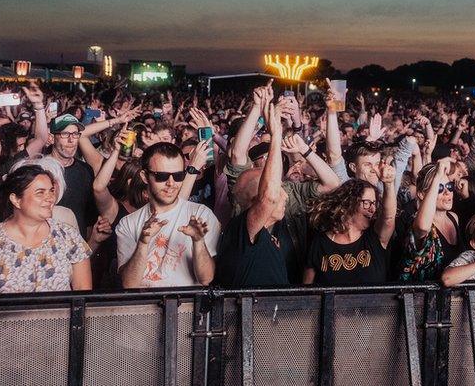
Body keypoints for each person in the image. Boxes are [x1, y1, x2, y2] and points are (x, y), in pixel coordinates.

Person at [0, 166, 92, 294]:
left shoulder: (67, 236)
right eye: (40, 193)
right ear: (16, 200)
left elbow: (83, 294)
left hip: (59, 319)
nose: (50, 198)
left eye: (51, 191)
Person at [115, 142, 219, 288]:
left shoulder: (200, 214)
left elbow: (206, 279)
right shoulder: (128, 223)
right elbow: (129, 285)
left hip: (187, 307)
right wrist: (143, 243)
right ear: (145, 177)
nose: (171, 183)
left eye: (178, 176)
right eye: (161, 176)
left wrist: (198, 241)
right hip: (144, 308)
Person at [216, 103, 294, 287]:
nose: (285, 196)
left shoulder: (264, 234)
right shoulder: (242, 229)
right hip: (254, 315)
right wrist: (276, 136)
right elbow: (269, 198)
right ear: (258, 198)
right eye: (278, 190)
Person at [303, 169, 397, 285]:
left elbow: (388, 219)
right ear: (348, 203)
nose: (372, 209)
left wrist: (388, 184)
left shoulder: (374, 236)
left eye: (374, 203)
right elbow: (307, 292)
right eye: (367, 203)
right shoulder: (320, 243)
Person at [399, 159, 464, 281]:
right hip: (421, 296)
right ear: (422, 195)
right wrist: (438, 175)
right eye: (439, 188)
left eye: (449, 186)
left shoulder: (454, 217)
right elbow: (423, 227)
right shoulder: (416, 220)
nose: (447, 193)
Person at [50, 114, 98, 235]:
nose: (71, 140)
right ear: (52, 137)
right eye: (65, 134)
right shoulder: (40, 170)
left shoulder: (85, 170)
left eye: (75, 134)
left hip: (78, 243)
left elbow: (89, 216)